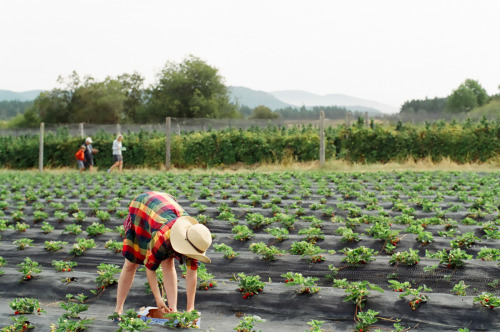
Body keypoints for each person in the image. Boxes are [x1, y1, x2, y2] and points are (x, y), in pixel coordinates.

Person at [114, 192, 212, 316]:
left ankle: (173, 311)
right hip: (143, 208)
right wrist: (158, 299)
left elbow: (192, 273)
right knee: (131, 263)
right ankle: (118, 310)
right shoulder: (163, 237)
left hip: (164, 207)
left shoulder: (196, 240)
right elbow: (150, 268)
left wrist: (190, 308)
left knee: (168, 262)